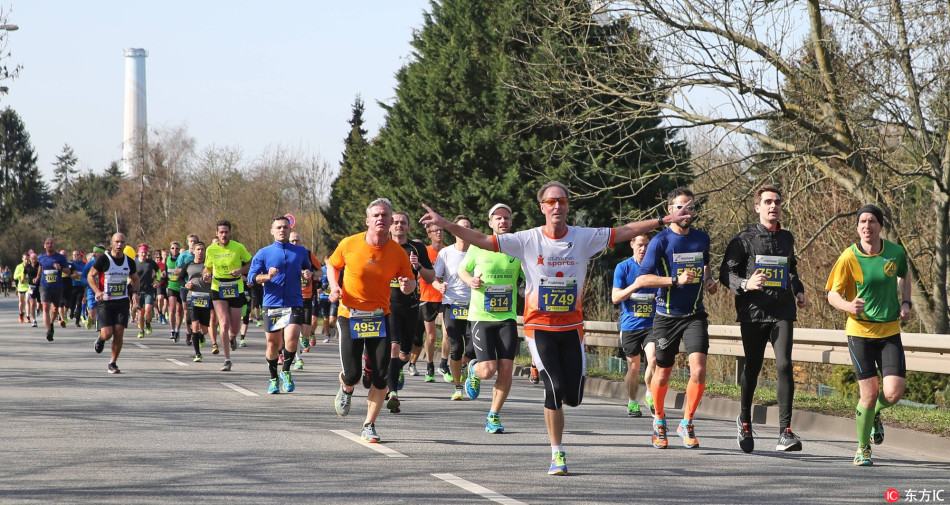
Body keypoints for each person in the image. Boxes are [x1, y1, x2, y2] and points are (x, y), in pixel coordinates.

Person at [419, 181, 689, 475]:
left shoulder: (583, 237)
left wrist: (663, 220)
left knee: (572, 397)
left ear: (567, 205)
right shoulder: (526, 239)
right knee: (553, 387)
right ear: (542, 208)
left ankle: (561, 421)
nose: (557, 206)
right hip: (540, 327)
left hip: (572, 328)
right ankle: (557, 453)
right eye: (550, 202)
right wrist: (446, 223)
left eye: (561, 201)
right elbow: (482, 239)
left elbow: (624, 231)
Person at [720, 185, 807, 453]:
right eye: (768, 202)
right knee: (754, 367)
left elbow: (791, 269)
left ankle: (785, 432)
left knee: (784, 365)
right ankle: (745, 419)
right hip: (753, 312)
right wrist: (747, 283)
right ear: (757, 207)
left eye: (777, 202)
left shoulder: (787, 238)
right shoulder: (742, 239)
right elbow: (726, 273)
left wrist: (799, 289)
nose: (773, 206)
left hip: (782, 310)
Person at [825, 204, 912, 467]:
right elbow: (832, 294)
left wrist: (906, 303)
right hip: (860, 332)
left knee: (894, 392)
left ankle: (873, 414)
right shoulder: (848, 257)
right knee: (869, 393)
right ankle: (863, 448)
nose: (866, 226)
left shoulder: (895, 252)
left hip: (889, 332)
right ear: (857, 227)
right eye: (862, 221)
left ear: (880, 226)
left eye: (872, 221)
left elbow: (905, 275)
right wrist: (848, 306)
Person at [327, 198, 415, 443]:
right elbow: (332, 265)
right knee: (353, 374)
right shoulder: (349, 244)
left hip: (379, 316)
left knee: (380, 376)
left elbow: (409, 283)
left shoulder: (397, 252)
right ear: (367, 221)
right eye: (376, 215)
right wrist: (334, 287)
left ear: (389, 221)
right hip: (349, 314)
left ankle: (369, 425)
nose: (381, 219)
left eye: (385, 215)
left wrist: (409, 285)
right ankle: (346, 388)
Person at [637, 187, 718, 451]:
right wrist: (674, 280)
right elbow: (644, 279)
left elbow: (705, 264)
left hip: (695, 315)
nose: (686, 212)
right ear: (670, 211)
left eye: (690, 207)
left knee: (698, 370)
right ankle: (659, 419)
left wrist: (708, 279)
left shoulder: (701, 238)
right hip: (666, 317)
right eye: (680, 207)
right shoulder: (660, 241)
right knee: (662, 374)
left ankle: (687, 422)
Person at [458, 203, 524, 433]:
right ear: (490, 223)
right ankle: (473, 369)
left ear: (511, 222)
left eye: (506, 218)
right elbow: (462, 270)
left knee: (506, 369)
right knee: (488, 370)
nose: (503, 222)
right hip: (481, 316)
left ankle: (493, 415)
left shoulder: (518, 248)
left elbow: (529, 275)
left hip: (507, 316)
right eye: (498, 218)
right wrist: (470, 281)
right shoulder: (479, 246)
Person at [248, 219, 315, 390]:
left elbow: (309, 270)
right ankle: (273, 378)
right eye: (278, 227)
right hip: (273, 304)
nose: (282, 230)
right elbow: (251, 278)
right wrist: (267, 277)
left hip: (294, 303)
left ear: (290, 228)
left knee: (291, 339)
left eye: (285, 227)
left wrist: (308, 273)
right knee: (273, 343)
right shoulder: (263, 253)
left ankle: (285, 371)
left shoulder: (300, 252)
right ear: (272, 231)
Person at [383, 211, 435, 413]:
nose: (398, 225)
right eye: (395, 222)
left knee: (405, 354)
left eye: (403, 223)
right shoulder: (382, 245)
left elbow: (430, 277)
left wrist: (418, 266)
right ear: (389, 226)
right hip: (388, 305)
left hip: (412, 306)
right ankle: (393, 392)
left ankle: (395, 371)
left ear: (409, 227)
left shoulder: (417, 248)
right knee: (394, 348)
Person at [611, 234, 658, 419]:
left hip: (651, 324)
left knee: (653, 359)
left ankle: (649, 393)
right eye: (640, 245)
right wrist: (636, 286)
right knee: (634, 367)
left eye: (647, 245)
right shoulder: (623, 268)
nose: (643, 249)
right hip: (630, 324)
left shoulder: (656, 267)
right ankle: (632, 401)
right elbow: (615, 298)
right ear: (632, 245)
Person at [433, 215, 475, 400]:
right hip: (452, 304)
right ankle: (458, 387)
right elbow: (434, 277)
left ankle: (466, 363)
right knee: (456, 346)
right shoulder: (446, 253)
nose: (464, 231)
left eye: (467, 227)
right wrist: (439, 285)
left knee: (474, 348)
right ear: (454, 231)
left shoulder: (478, 251)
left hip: (475, 304)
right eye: (460, 227)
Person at [203, 220, 252, 371]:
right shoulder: (211, 250)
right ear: (217, 234)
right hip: (218, 287)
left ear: (230, 233)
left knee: (235, 327)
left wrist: (240, 271)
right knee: (223, 323)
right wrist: (206, 274)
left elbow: (250, 263)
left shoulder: (239, 247)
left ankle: (232, 338)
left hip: (235, 286)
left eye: (226, 232)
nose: (224, 235)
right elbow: (207, 267)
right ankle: (227, 359)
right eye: (221, 232)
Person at [88, 233, 141, 374]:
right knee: (107, 333)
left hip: (122, 301)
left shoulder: (129, 262)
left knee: (119, 332)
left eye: (122, 242)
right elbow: (90, 276)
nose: (119, 244)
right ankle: (100, 338)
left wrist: (135, 293)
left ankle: (112, 363)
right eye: (116, 242)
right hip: (105, 301)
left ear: (125, 244)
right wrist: (97, 291)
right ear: (111, 244)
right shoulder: (103, 260)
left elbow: (135, 279)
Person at [416, 224, 446, 382]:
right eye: (436, 231)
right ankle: (429, 365)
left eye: (441, 230)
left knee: (447, 334)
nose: (439, 232)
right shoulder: (425, 251)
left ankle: (444, 363)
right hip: (427, 297)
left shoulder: (448, 250)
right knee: (432, 336)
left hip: (445, 297)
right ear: (429, 235)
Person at [36, 238, 70, 342]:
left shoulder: (60, 258)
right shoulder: (41, 257)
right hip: (45, 286)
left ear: (55, 245)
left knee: (55, 309)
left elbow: (68, 271)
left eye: (51, 243)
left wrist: (60, 268)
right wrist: (38, 277)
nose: (49, 245)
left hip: (57, 287)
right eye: (47, 243)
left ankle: (51, 324)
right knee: (45, 307)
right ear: (44, 245)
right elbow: (40, 268)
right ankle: (49, 331)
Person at [182, 242, 212, 362]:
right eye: (198, 249)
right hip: (192, 297)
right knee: (195, 324)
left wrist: (210, 279)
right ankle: (197, 354)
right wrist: (185, 284)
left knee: (204, 330)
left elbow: (215, 277)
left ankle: (199, 336)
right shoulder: (189, 264)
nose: (200, 251)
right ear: (193, 251)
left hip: (205, 298)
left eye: (202, 249)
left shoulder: (209, 265)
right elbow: (179, 278)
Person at [134, 245, 160, 338]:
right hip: (138, 290)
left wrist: (157, 281)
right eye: (142, 252)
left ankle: (148, 323)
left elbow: (159, 272)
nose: (144, 254)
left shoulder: (151, 263)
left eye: (146, 252)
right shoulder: (134, 263)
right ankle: (141, 330)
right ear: (138, 253)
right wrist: (129, 279)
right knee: (141, 312)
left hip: (149, 289)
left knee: (148, 309)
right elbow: (129, 273)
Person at [82, 245, 106, 331]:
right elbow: (83, 277)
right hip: (91, 290)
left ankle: (98, 322)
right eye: (94, 252)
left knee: (101, 307)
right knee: (92, 310)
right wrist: (90, 283)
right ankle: (91, 317)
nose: (94, 254)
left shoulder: (107, 263)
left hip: (103, 289)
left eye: (97, 252)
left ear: (102, 253)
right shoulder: (89, 265)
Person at [166, 241, 185, 341]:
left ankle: (177, 330)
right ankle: (172, 330)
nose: (175, 250)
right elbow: (164, 271)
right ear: (170, 249)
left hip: (181, 287)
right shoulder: (167, 259)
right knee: (172, 309)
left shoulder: (182, 259)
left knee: (179, 311)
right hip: (171, 286)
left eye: (177, 248)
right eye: (173, 248)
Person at [69, 250, 86, 327]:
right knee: (72, 303)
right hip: (72, 286)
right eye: (74, 255)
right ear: (72, 256)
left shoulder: (84, 265)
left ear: (80, 255)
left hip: (81, 286)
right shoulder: (71, 264)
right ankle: (72, 311)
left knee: (79, 304)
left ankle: (77, 321)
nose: (76, 256)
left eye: (77, 255)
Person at [14, 254, 30, 323]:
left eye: (27, 259)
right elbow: (15, 276)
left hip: (28, 286)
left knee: (27, 301)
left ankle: (28, 316)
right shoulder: (19, 266)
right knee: (21, 302)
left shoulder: (30, 266)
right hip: (21, 286)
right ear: (22, 259)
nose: (26, 260)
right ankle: (21, 314)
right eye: (25, 259)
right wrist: (22, 274)